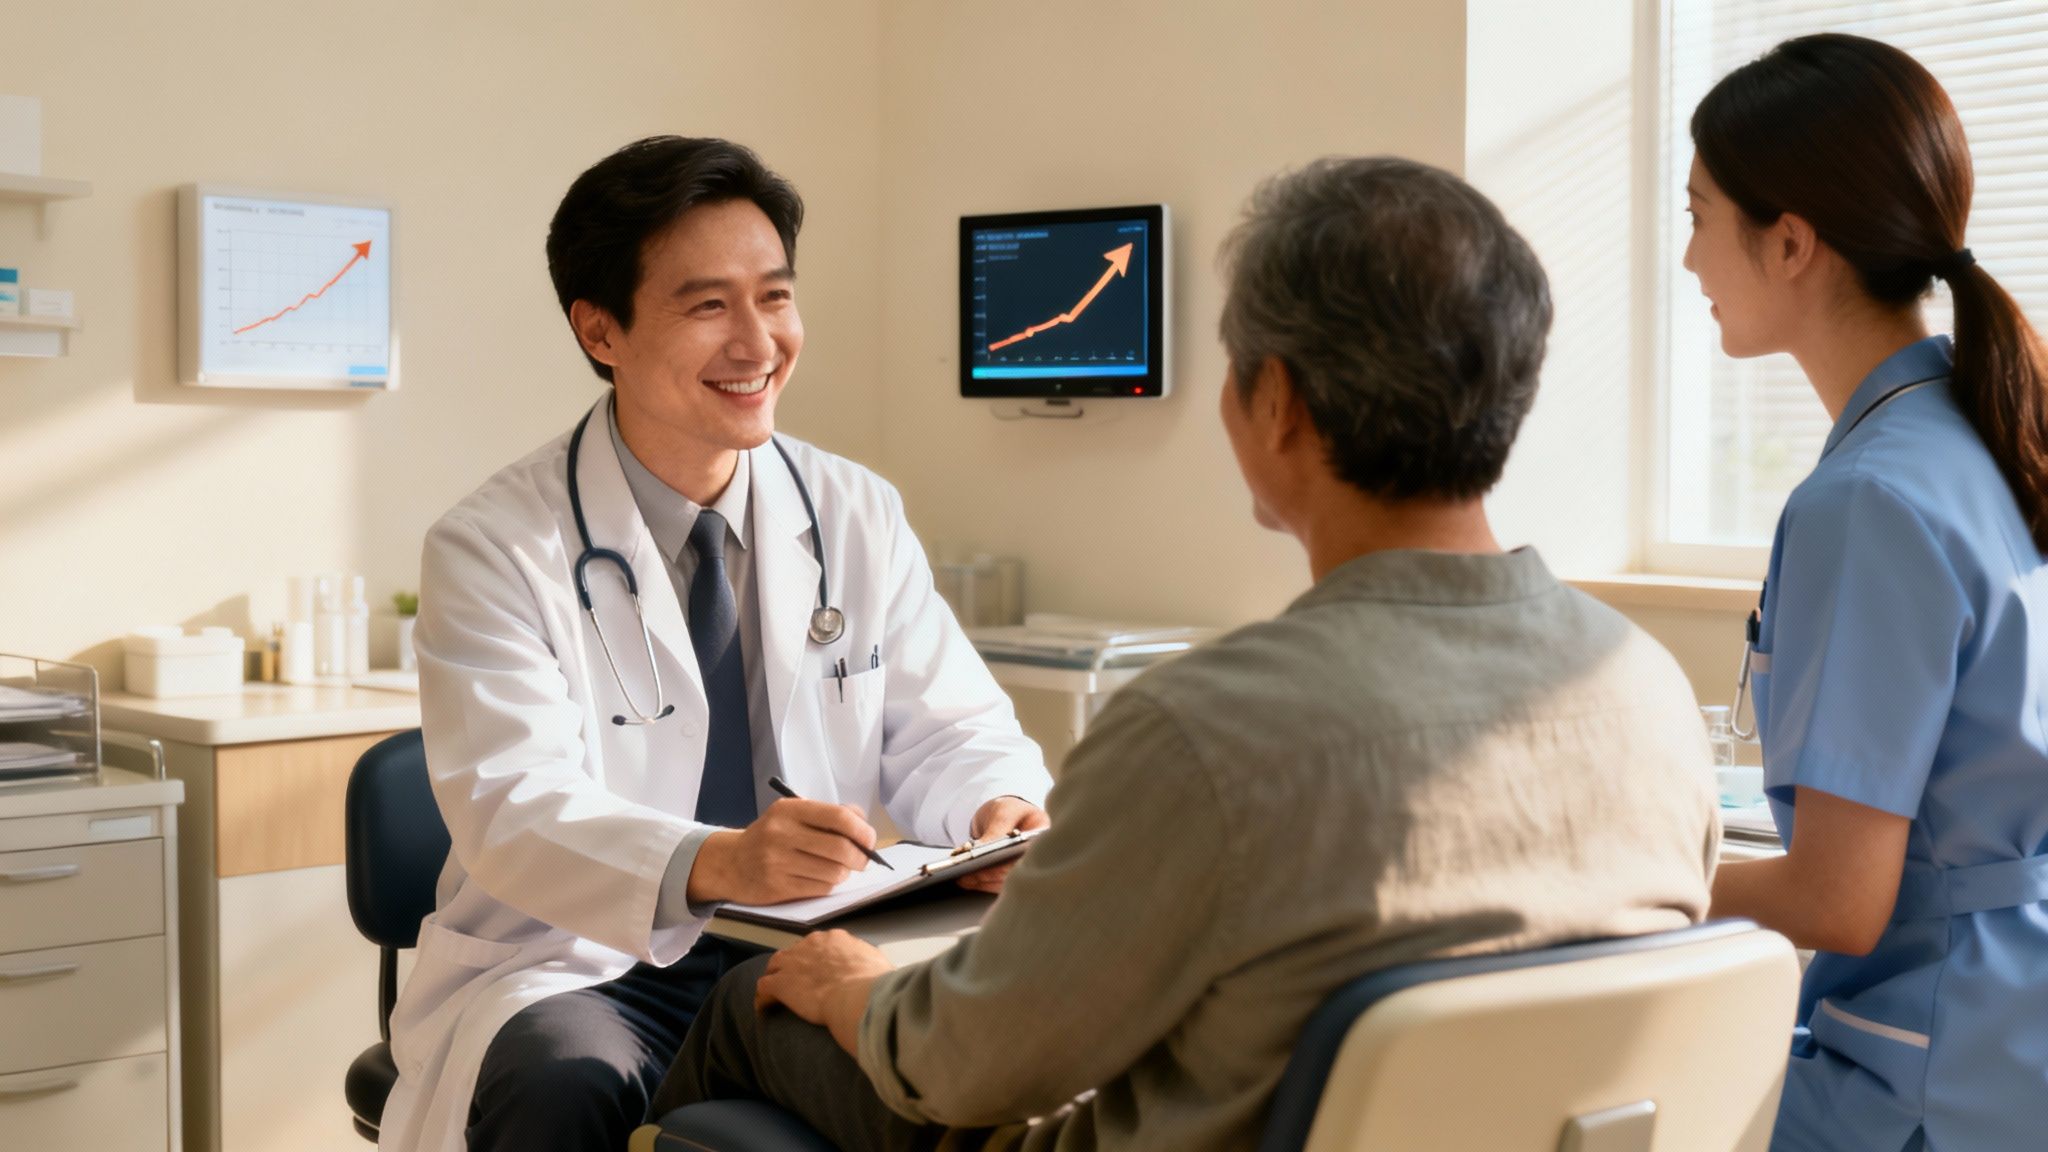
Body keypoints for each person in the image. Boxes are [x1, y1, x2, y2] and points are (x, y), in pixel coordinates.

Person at [645, 156, 1721, 1151]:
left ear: (1277, 404)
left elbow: (961, 1067)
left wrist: (851, 988)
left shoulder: (1203, 729)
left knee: (756, 1000)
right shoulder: (1642, 686)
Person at [377, 136, 1053, 1152]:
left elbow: (949, 726)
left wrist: (993, 806)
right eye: (708, 306)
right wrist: (716, 861)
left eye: (773, 298)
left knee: (960, 1078)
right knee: (560, 1085)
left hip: (817, 935)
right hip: (588, 960)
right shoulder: (494, 545)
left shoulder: (850, 510)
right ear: (599, 329)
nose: (757, 343)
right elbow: (513, 807)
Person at [1686, 33, 2048, 1152]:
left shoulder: (1866, 500)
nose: (1689, 261)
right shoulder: (1987, 433)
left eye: (1696, 217)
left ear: (1788, 242)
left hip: (1930, 1069)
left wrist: (1634, 885)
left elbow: (1838, 902)